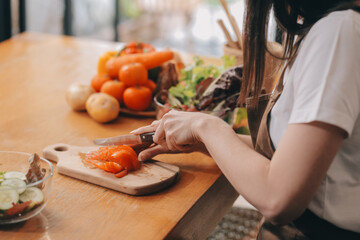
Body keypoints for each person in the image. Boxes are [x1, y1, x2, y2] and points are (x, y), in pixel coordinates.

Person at [131, 0, 360, 239]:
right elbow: (286, 159)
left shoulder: (339, 32)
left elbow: (277, 199)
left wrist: (206, 126)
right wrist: (202, 141)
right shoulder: (328, 27)